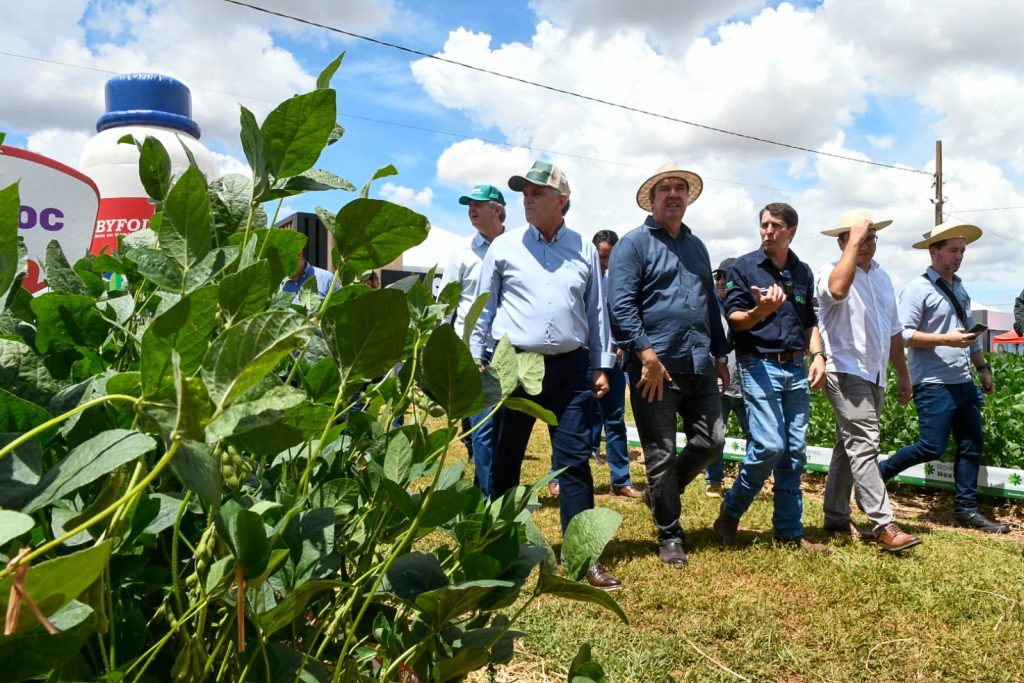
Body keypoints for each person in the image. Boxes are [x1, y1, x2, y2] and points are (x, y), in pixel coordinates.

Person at [471, 161, 621, 589]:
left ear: (562, 201)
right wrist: (474, 359)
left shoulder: (584, 249)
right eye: (524, 192)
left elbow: (596, 311)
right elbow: (483, 308)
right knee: (505, 460)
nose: (527, 199)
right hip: (514, 366)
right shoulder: (505, 248)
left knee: (574, 464)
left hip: (571, 371)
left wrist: (602, 365)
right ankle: (497, 550)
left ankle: (583, 558)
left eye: (537, 192)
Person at [608, 162, 729, 566]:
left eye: (681, 188)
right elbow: (621, 305)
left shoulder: (697, 247)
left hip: (699, 364)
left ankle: (658, 494)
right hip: (653, 369)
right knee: (658, 453)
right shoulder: (633, 244)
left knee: (712, 442)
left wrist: (721, 353)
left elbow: (710, 303)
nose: (674, 194)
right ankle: (670, 534)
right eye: (666, 188)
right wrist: (646, 354)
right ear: (653, 198)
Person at [713, 202, 830, 554]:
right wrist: (759, 311)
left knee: (794, 452)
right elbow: (734, 319)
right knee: (769, 445)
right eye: (763, 224)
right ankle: (730, 512)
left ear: (791, 231)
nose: (767, 231)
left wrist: (819, 356)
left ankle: (789, 533)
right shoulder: (744, 267)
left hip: (795, 366)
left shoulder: (802, 271)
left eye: (775, 225)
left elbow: (810, 320)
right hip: (757, 364)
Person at [878, 220, 1009, 534]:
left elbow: (970, 337)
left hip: (963, 382)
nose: (959, 256)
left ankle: (966, 509)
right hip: (934, 384)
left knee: (971, 443)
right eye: (953, 250)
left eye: (962, 251)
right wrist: (945, 339)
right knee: (931, 447)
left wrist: (983, 369)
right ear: (933, 251)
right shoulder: (917, 289)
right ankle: (876, 476)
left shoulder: (960, 288)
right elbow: (903, 335)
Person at [815, 210, 921, 552]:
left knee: (848, 447)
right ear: (842, 242)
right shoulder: (829, 272)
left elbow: (893, 332)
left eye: (871, 237)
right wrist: (855, 241)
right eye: (859, 238)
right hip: (844, 369)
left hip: (874, 373)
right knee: (864, 442)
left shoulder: (882, 277)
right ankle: (883, 523)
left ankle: (834, 516)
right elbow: (837, 290)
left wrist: (902, 374)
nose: (866, 243)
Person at [438, 183, 506, 497]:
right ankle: (487, 496)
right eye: (468, 205)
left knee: (504, 427)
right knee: (482, 428)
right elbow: (445, 305)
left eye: (478, 204)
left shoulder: (516, 248)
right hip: (473, 353)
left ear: (498, 210)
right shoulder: (461, 255)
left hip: (508, 350)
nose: (471, 209)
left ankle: (488, 484)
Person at [590, 229, 641, 499]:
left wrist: (621, 344)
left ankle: (620, 480)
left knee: (615, 421)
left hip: (614, 359)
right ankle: (561, 477)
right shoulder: (584, 278)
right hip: (584, 358)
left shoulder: (621, 283)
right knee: (573, 421)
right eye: (600, 257)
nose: (604, 263)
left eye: (609, 257)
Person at [704, 256, 747, 498]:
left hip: (746, 382)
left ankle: (748, 479)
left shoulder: (746, 307)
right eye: (718, 276)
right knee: (715, 435)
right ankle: (714, 481)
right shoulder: (708, 307)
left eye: (726, 276)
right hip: (718, 383)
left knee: (756, 435)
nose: (721, 281)